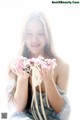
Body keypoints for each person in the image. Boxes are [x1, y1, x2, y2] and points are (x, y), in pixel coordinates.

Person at [6, 12, 71, 120]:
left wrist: (48, 80)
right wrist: (22, 79)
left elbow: (61, 110)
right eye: (28, 34)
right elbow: (18, 108)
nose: (34, 39)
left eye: (40, 33)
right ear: (23, 36)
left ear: (47, 35)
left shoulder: (61, 65)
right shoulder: (15, 65)